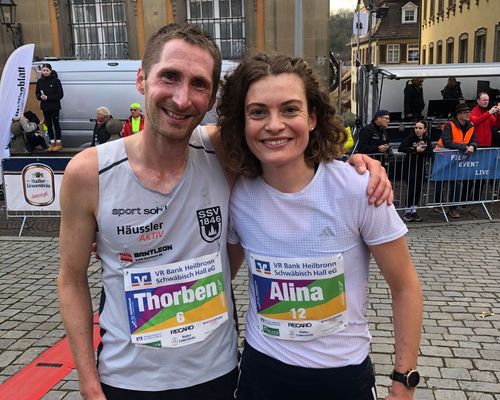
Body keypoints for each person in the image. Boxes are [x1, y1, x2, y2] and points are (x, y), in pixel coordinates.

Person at [57, 23, 392, 400]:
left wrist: (355, 167)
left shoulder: (222, 152)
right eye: (169, 77)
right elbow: (71, 280)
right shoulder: (89, 173)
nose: (182, 99)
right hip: (127, 380)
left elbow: (284, 144)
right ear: (141, 79)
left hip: (217, 374)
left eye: (198, 84)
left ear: (212, 95)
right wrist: (87, 381)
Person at [219, 52, 422, 400]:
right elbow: (221, 275)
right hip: (261, 374)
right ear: (242, 122)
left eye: (290, 109)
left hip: (341, 378)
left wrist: (404, 382)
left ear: (312, 117)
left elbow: (405, 287)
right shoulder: (237, 195)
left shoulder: (359, 188)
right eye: (257, 112)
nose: (274, 125)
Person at [435, 103, 478, 218]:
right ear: (458, 115)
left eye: (468, 112)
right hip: (443, 155)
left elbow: (474, 140)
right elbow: (446, 142)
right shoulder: (450, 125)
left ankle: (453, 208)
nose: (468, 115)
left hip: (457, 157)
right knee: (440, 181)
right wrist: (464, 147)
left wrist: (473, 146)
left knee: (456, 182)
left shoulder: (471, 125)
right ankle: (438, 204)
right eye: (465, 113)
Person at [398, 120, 433, 222]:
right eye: (416, 128)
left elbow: (430, 152)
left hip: (421, 167)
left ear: (424, 129)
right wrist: (415, 150)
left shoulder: (427, 139)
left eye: (420, 128)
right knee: (411, 188)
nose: (417, 130)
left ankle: (414, 210)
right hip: (410, 167)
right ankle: (407, 211)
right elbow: (401, 148)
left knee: (418, 189)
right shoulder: (411, 138)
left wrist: (423, 151)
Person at [35, 63, 64, 152]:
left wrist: (48, 97)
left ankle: (58, 143)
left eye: (47, 70)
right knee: (48, 125)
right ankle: (52, 143)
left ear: (50, 71)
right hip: (45, 107)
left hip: (54, 107)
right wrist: (41, 97)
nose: (45, 72)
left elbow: (60, 95)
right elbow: (37, 94)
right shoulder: (39, 82)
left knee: (56, 124)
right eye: (44, 70)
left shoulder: (56, 81)